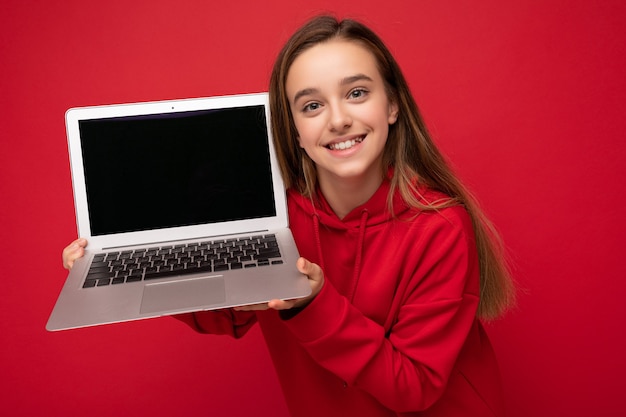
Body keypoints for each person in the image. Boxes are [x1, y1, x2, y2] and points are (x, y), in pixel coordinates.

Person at [62, 15, 516, 417]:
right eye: (312, 105)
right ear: (294, 130)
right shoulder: (277, 221)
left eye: (356, 93)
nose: (337, 119)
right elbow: (231, 316)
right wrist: (137, 267)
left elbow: (412, 387)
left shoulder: (439, 225)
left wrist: (311, 304)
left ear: (392, 105)